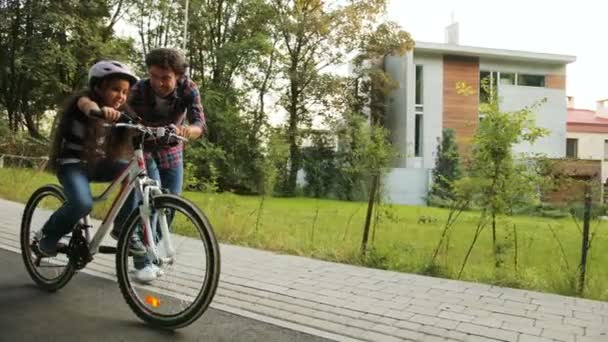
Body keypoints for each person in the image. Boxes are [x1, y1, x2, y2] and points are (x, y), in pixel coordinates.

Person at [38, 60, 148, 265]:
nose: (121, 96)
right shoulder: (84, 100)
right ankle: (46, 237)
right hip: (72, 164)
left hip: (97, 165)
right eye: (115, 89)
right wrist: (97, 111)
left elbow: (139, 124)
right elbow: (86, 106)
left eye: (125, 92)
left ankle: (122, 226)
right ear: (98, 87)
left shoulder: (123, 111)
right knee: (82, 204)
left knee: (136, 173)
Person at [124, 48, 206, 282]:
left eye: (165, 78)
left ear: (178, 76)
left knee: (169, 204)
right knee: (151, 199)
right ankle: (143, 261)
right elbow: (123, 110)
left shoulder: (189, 89)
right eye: (154, 76)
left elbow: (199, 123)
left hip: (172, 148)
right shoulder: (139, 89)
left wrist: (187, 130)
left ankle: (149, 251)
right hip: (144, 148)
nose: (159, 83)